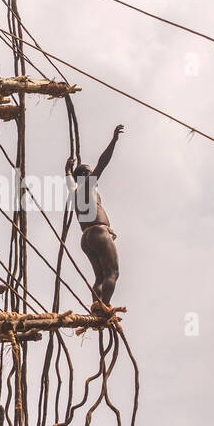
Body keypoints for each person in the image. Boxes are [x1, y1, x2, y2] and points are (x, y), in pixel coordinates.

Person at [67, 124, 123, 308]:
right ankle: (105, 305)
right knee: (112, 273)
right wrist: (113, 140)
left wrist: (67, 170)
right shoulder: (87, 185)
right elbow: (103, 162)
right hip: (99, 233)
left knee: (99, 276)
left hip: (86, 238)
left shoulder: (75, 192)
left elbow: (69, 181)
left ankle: (97, 307)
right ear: (87, 175)